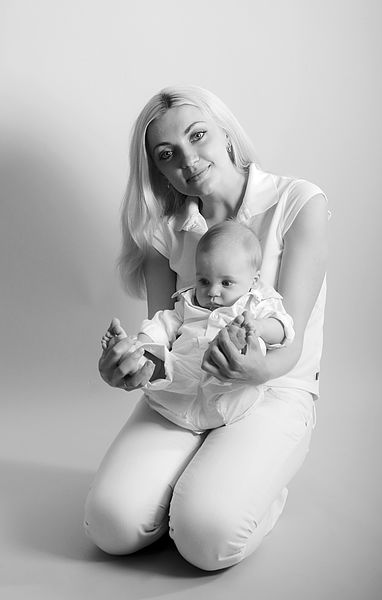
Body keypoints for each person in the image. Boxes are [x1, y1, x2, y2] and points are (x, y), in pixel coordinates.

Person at [84, 85, 328, 571]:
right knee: (110, 525)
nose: (188, 160)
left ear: (228, 135)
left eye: (199, 137)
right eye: (166, 154)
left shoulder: (296, 202)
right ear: (156, 169)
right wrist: (135, 366)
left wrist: (252, 365)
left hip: (272, 388)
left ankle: (247, 493)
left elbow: (290, 339)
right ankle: (188, 478)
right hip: (183, 389)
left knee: (205, 540)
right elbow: (163, 338)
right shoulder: (163, 232)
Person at [101, 221, 295, 432]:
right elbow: (162, 324)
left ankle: (228, 344)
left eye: (226, 283)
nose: (212, 291)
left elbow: (284, 328)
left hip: (229, 393)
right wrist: (140, 343)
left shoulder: (256, 303)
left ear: (253, 279)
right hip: (178, 396)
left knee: (238, 350)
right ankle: (133, 356)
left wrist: (260, 327)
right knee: (166, 364)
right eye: (204, 281)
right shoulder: (188, 303)